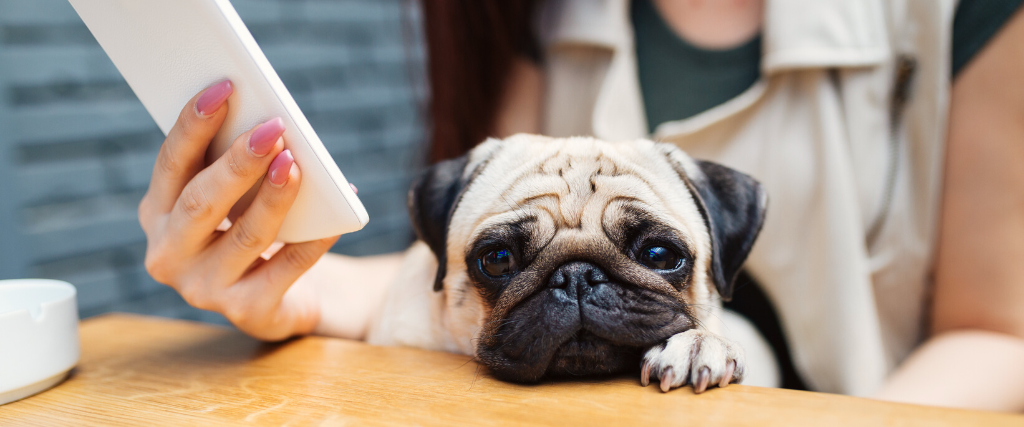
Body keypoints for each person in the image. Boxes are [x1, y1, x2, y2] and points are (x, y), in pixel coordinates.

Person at [137, 0, 1024, 411]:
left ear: (723, 245)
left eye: (659, 256)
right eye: (507, 261)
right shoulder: (536, 13)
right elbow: (426, 281)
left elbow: (1002, 333)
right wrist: (287, 283)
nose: (575, 291)